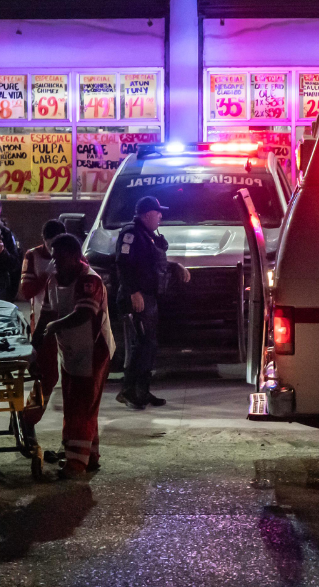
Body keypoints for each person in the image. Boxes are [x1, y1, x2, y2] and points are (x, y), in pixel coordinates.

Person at [36, 233, 115, 480]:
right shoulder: (55, 279)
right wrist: (35, 342)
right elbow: (47, 313)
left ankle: (75, 463)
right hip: (71, 350)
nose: (55, 262)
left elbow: (84, 314)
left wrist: (53, 328)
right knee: (75, 403)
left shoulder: (89, 280)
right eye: (53, 257)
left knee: (82, 405)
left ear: (75, 256)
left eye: (59, 258)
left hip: (93, 351)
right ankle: (87, 454)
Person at [114, 195, 190, 410]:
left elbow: (152, 262)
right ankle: (128, 391)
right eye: (158, 213)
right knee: (141, 346)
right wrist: (133, 292)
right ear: (148, 214)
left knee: (149, 346)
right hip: (137, 299)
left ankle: (143, 391)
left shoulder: (146, 235)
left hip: (149, 298)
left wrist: (175, 266)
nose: (161, 216)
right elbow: (123, 264)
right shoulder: (130, 234)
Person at [17, 218, 68, 451]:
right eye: (50, 245)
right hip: (43, 324)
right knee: (47, 378)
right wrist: (48, 277)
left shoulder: (74, 255)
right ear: (43, 241)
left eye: (58, 244)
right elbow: (26, 291)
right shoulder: (33, 256)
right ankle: (28, 420)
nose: (54, 250)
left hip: (70, 325)